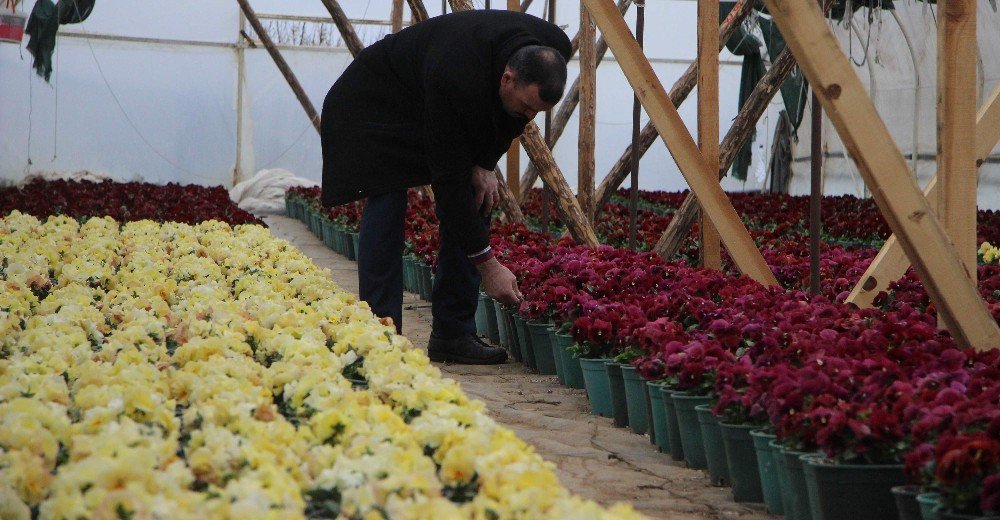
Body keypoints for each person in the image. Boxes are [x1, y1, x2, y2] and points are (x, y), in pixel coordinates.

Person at [320, 10, 571, 364]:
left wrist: (485, 163)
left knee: (480, 194)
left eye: (538, 112)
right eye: (527, 106)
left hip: (426, 96)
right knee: (388, 197)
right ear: (507, 78)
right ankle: (381, 333)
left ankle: (453, 335)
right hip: (372, 103)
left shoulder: (553, 51)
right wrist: (488, 265)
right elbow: (449, 184)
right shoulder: (457, 74)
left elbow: (505, 120)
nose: (530, 117)